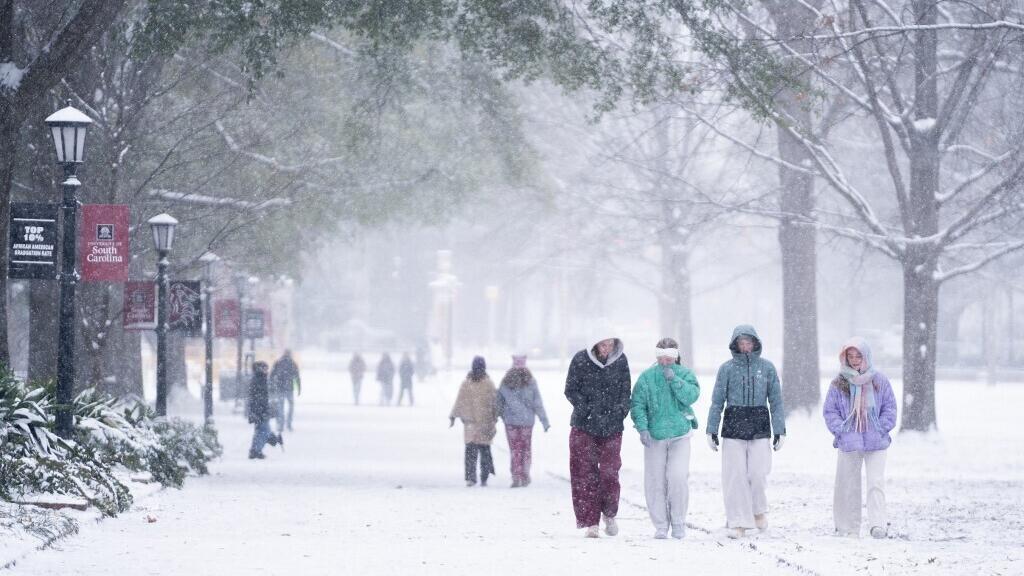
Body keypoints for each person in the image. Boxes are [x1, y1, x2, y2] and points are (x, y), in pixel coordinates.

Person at [706, 325, 786, 539]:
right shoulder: (727, 369)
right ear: (735, 344)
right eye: (741, 343)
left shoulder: (767, 368)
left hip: (759, 424)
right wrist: (711, 429)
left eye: (748, 342)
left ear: (755, 343)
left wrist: (780, 429)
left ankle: (758, 509)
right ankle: (738, 521)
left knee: (758, 473)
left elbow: (776, 401)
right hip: (734, 424)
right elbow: (717, 401)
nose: (745, 346)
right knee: (735, 476)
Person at [823, 337, 897, 539]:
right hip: (849, 441)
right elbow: (830, 410)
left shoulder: (879, 380)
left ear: (866, 356)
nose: (855, 360)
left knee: (876, 482)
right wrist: (841, 430)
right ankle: (847, 526)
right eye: (850, 356)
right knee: (847, 484)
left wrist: (882, 427)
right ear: (844, 357)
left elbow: (890, 407)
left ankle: (878, 524)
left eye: (858, 355)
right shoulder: (839, 383)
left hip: (876, 441)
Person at [631, 338, 700, 539]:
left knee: (677, 478)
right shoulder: (646, 378)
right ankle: (661, 525)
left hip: (680, 434)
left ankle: (678, 522)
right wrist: (642, 428)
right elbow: (637, 404)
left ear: (676, 357)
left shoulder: (685, 374)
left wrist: (675, 381)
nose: (664, 362)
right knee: (655, 481)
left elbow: (691, 396)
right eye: (661, 358)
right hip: (655, 436)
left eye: (669, 358)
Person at [565, 330, 632, 538]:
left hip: (612, 426)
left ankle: (609, 513)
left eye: (610, 344)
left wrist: (620, 411)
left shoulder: (621, 362)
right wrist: (585, 409)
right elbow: (570, 389)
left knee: (610, 473)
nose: (607, 348)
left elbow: (625, 390)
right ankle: (590, 521)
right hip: (584, 426)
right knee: (584, 474)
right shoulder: (580, 360)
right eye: (603, 344)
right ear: (594, 344)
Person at [496, 354, 550, 488]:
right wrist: (544, 420)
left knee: (515, 450)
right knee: (526, 449)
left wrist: (502, 415)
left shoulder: (506, 381)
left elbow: (499, 402)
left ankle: (516, 476)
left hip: (511, 422)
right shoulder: (531, 381)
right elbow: (537, 402)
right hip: (527, 422)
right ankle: (525, 475)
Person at [449, 356, 498, 487]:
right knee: (484, 451)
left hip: (472, 423)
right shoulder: (488, 383)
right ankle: (484, 477)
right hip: (484, 422)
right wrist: (496, 416)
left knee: (472, 452)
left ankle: (471, 477)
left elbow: (459, 400)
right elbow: (495, 402)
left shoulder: (467, 383)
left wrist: (453, 416)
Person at [247, 361, 282, 459]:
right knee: (263, 430)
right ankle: (256, 450)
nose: (267, 370)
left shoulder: (259, 378)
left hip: (259, 409)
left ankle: (256, 449)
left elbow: (259, 397)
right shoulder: (259, 379)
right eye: (265, 368)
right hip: (260, 410)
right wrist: (263, 410)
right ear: (260, 368)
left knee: (261, 430)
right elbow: (259, 397)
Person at [270, 350, 301, 432]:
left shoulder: (278, 363)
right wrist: (299, 388)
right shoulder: (293, 363)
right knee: (290, 407)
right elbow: (297, 376)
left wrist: (272, 385)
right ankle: (289, 424)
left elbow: (272, 375)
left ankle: (281, 424)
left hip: (280, 388)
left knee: (280, 407)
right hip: (289, 388)